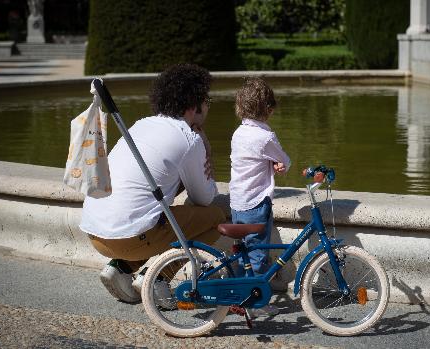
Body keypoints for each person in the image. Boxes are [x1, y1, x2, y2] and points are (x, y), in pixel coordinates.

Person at [79, 63, 226, 304]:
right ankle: (156, 277)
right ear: (193, 105)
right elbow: (204, 199)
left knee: (153, 208)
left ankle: (120, 268)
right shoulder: (189, 139)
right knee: (216, 217)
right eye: (207, 100)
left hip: (95, 233)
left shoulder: (140, 125)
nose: (208, 106)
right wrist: (207, 150)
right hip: (129, 238)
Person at [229, 77, 291, 317]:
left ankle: (239, 294)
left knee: (242, 251)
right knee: (257, 254)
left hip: (237, 202)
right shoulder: (266, 137)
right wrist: (280, 165)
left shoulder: (238, 133)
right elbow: (284, 161)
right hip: (256, 203)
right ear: (269, 108)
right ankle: (254, 303)